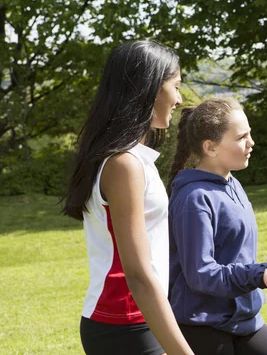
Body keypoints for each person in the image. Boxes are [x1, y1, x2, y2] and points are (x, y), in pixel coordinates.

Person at [62, 40, 194, 355]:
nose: (178, 98)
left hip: (135, 320)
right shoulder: (123, 165)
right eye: (175, 87)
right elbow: (137, 273)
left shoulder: (128, 159)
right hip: (125, 324)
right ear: (150, 89)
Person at [167, 98, 267, 355]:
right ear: (210, 147)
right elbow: (201, 274)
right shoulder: (194, 198)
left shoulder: (233, 185)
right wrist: (258, 275)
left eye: (249, 134)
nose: (251, 143)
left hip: (244, 322)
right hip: (203, 325)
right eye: (241, 137)